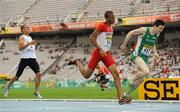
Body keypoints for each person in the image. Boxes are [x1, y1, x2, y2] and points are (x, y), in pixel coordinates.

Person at [68, 11, 131, 104]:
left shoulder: (111, 25)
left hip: (106, 54)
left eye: (114, 17)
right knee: (86, 75)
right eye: (112, 18)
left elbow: (118, 21)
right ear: (107, 19)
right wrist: (100, 49)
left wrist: (120, 21)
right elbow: (92, 37)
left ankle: (121, 98)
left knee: (116, 75)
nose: (114, 19)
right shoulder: (102, 26)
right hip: (98, 53)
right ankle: (77, 62)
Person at [120, 19, 165, 95]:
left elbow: (153, 43)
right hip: (137, 54)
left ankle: (126, 94)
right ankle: (131, 80)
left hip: (145, 57)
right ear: (154, 26)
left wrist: (155, 53)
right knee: (146, 72)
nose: (161, 30)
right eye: (160, 28)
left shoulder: (157, 33)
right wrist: (124, 44)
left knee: (141, 80)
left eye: (162, 29)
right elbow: (131, 33)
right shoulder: (144, 30)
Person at [3, 24, 43, 98]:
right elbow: (20, 48)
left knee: (39, 74)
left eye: (28, 27)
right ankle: (7, 87)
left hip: (33, 58)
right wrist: (29, 44)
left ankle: (36, 91)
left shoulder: (30, 37)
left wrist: (36, 45)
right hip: (25, 59)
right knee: (17, 76)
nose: (29, 28)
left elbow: (31, 49)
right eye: (27, 27)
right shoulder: (22, 37)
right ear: (23, 30)